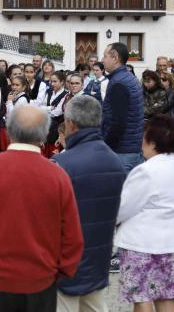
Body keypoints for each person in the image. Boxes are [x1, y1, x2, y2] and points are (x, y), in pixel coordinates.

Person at [0, 106, 84, 311]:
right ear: (43, 136)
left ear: (10, 132)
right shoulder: (57, 176)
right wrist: (56, 274)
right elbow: (72, 237)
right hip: (38, 284)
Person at [54, 95, 126, 312]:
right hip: (99, 261)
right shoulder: (115, 162)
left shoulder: (61, 165)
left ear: (70, 124)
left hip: (65, 265)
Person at [115, 115, 174, 310]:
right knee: (166, 297)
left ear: (153, 142)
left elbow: (123, 207)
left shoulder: (146, 171)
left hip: (142, 243)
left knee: (142, 297)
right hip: (173, 241)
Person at [100, 43, 144, 172]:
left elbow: (117, 122)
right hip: (131, 148)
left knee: (120, 191)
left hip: (122, 152)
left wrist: (106, 145)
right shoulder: (127, 77)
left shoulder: (119, 82)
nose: (102, 60)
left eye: (105, 56)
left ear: (115, 58)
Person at [38, 70, 68, 158]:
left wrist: (46, 109)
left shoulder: (65, 95)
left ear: (62, 82)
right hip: (45, 124)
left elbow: (57, 112)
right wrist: (50, 108)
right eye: (51, 81)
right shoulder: (49, 92)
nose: (52, 84)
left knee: (53, 152)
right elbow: (41, 107)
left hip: (56, 127)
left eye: (55, 81)